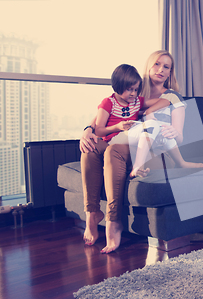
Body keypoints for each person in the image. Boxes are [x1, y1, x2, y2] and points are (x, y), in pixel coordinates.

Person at [80, 51, 193, 253]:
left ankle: (114, 222)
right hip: (126, 139)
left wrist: (170, 131)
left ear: (170, 72)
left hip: (154, 148)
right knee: (89, 150)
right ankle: (92, 212)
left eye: (166, 66)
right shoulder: (134, 91)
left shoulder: (172, 97)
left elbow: (180, 136)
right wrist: (87, 131)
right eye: (157, 64)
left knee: (113, 151)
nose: (161, 69)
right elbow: (103, 115)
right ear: (148, 66)